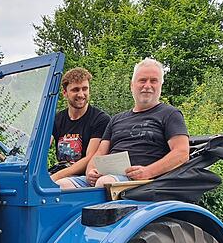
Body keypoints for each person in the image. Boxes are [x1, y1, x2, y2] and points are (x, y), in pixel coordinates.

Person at [83, 58, 189, 187]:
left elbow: (182, 153)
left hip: (143, 183)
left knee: (104, 183)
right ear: (132, 85)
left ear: (161, 85)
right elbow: (99, 153)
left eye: (154, 81)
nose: (147, 86)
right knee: (61, 186)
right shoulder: (116, 119)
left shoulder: (170, 114)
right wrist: (91, 171)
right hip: (108, 176)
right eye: (142, 80)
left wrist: (148, 171)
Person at [49, 67, 110, 189]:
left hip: (84, 178)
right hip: (62, 172)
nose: (81, 94)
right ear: (65, 92)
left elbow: (90, 158)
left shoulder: (100, 119)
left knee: (58, 185)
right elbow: (42, 145)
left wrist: (54, 177)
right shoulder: (57, 119)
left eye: (85, 89)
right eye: (75, 90)